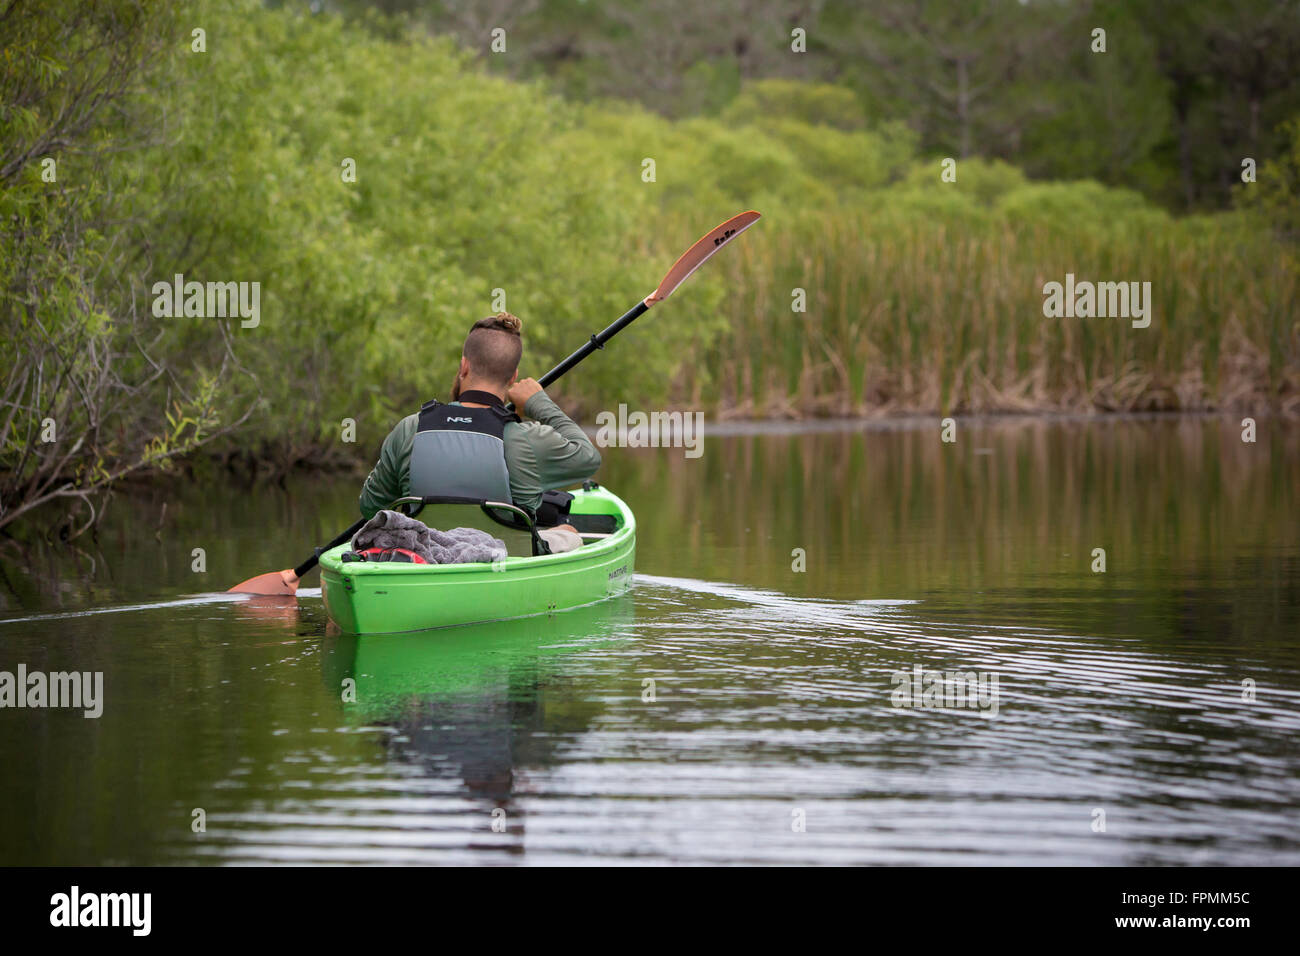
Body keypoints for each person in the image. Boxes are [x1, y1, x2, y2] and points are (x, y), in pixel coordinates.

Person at [357, 313, 599, 553]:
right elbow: (588, 457)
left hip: (427, 554)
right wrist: (538, 402)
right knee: (569, 533)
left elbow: (371, 507)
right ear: (513, 376)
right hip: (504, 559)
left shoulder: (410, 428)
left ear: (464, 366)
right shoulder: (526, 438)